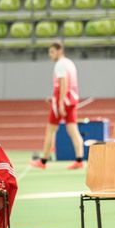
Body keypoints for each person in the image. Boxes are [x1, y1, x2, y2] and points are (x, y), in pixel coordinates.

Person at [31, 42, 84, 170]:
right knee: (73, 130)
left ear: (60, 50)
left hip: (63, 102)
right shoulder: (69, 63)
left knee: (50, 130)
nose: (50, 55)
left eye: (52, 52)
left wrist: (59, 102)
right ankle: (79, 160)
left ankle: (43, 161)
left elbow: (63, 83)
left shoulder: (60, 64)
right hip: (71, 100)